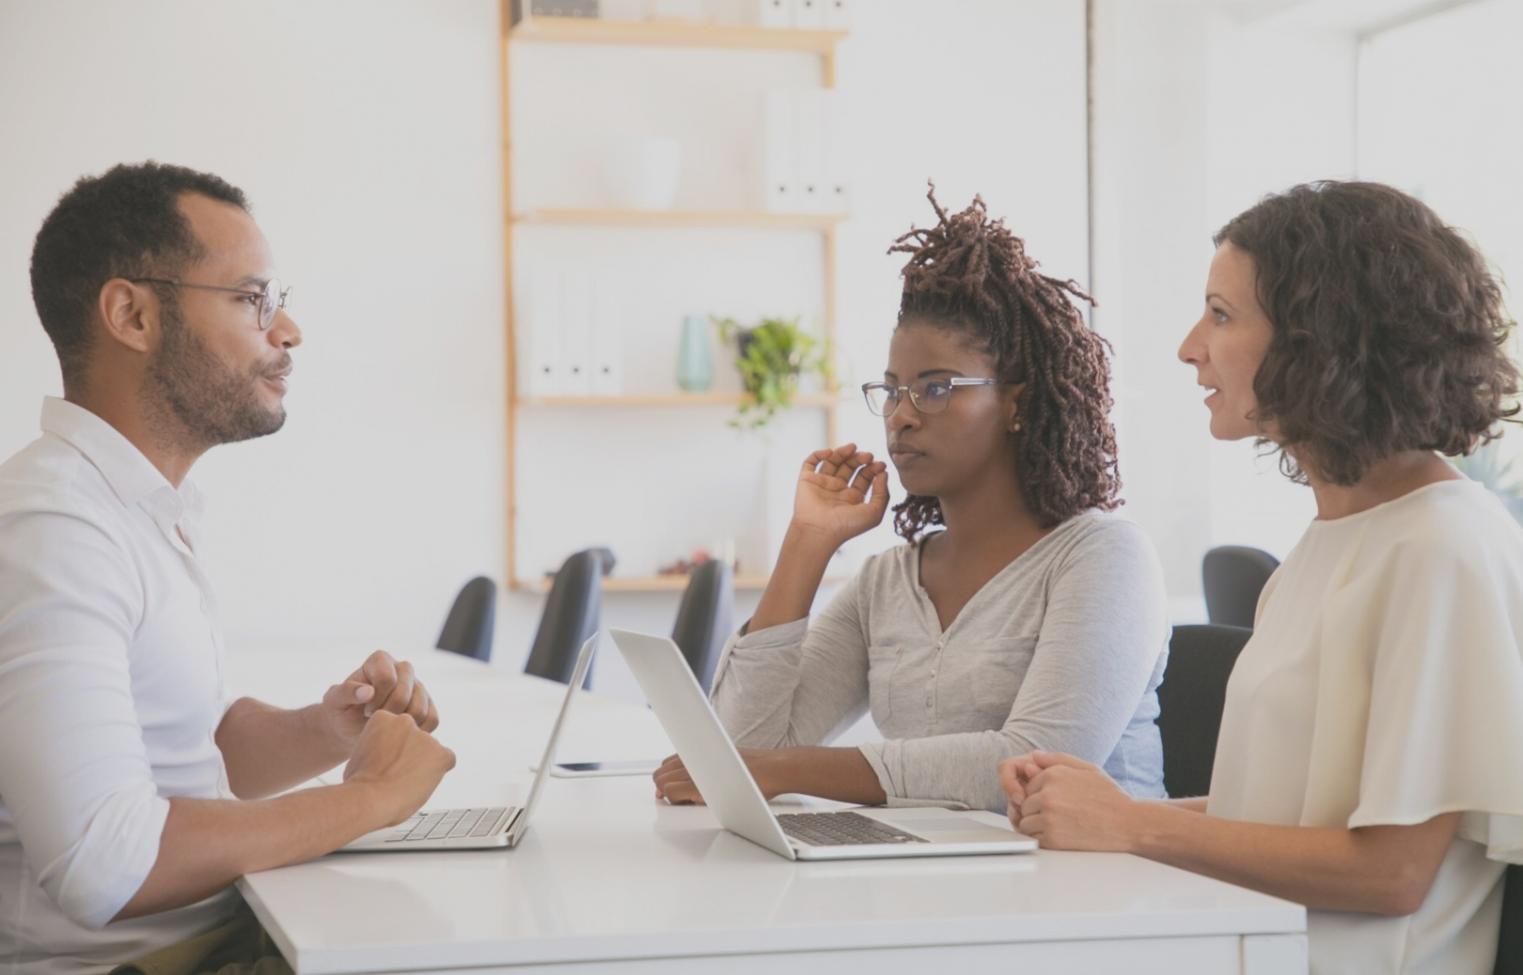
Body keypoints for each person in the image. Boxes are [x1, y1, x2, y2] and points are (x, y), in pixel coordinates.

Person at [999, 180, 1523, 973]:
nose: (1188, 346)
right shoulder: (1332, 538)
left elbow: (1390, 873)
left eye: (1220, 314)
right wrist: (1100, 809)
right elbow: (1287, 813)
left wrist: (1135, 826)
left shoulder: (1441, 547)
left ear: (1320, 338)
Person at [0, 162, 457, 975]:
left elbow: (189, 748)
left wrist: (326, 730)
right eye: (252, 300)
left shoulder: (131, 507)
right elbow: (106, 861)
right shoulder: (52, 529)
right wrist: (368, 799)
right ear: (133, 314)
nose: (288, 331)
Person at [654, 187, 1170, 813]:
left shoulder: (1104, 559)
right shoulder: (887, 584)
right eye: (892, 391)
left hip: (1100, 890)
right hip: (941, 880)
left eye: (935, 389)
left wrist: (783, 771)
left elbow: (1032, 767)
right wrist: (807, 543)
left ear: (1016, 401)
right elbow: (743, 751)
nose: (900, 417)